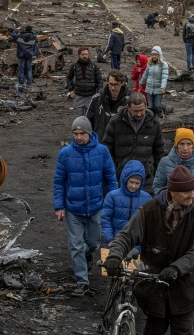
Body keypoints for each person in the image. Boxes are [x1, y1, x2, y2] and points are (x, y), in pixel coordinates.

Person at [105, 164, 194, 335]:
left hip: (183, 285)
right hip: (153, 283)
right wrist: (113, 256)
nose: (192, 195)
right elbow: (125, 236)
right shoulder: (149, 211)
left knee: (183, 334)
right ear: (172, 192)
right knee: (154, 326)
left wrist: (176, 269)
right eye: (187, 192)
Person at [53, 116, 118, 297]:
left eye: (82, 133)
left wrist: (113, 202)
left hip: (96, 206)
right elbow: (59, 181)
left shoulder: (102, 152)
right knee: (75, 245)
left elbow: (111, 179)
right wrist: (59, 206)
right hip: (73, 207)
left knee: (93, 243)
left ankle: (87, 255)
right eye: (76, 133)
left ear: (90, 133)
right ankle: (82, 282)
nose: (79, 137)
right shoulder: (65, 154)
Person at [102, 93, 165, 185]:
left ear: (146, 106)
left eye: (141, 110)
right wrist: (114, 171)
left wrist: (155, 175)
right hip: (121, 178)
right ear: (128, 107)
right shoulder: (115, 122)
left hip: (146, 179)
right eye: (135, 111)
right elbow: (107, 149)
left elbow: (159, 152)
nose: (139, 114)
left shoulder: (154, 124)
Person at [153, 128, 194, 212]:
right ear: (176, 145)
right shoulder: (165, 162)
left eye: (188, 144)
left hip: (193, 212)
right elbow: (157, 187)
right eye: (182, 144)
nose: (185, 148)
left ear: (193, 145)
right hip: (170, 211)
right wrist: (165, 205)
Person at [101, 160, 152, 247]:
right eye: (131, 182)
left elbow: (150, 222)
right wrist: (109, 240)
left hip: (137, 245)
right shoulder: (112, 196)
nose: (134, 186)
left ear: (142, 183)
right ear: (125, 180)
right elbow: (105, 219)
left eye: (137, 183)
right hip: (115, 243)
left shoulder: (147, 198)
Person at [87, 70, 130, 139]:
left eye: (116, 84)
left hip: (119, 143)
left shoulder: (129, 101)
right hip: (100, 141)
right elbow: (88, 121)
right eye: (111, 84)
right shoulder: (97, 99)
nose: (113, 88)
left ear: (122, 83)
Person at [66, 47, 103, 117]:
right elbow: (68, 78)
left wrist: (99, 93)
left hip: (91, 97)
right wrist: (71, 90)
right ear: (79, 55)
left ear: (89, 54)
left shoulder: (94, 67)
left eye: (86, 54)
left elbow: (100, 81)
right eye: (83, 54)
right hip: (78, 96)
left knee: (89, 119)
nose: (85, 56)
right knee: (79, 118)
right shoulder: (74, 67)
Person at [139, 46, 170, 118]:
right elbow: (145, 74)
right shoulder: (149, 64)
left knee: (157, 105)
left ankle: (161, 114)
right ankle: (152, 119)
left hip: (158, 89)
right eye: (152, 55)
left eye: (155, 55)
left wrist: (163, 87)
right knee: (150, 106)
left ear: (159, 55)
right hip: (149, 88)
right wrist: (141, 83)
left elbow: (164, 77)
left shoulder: (163, 65)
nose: (154, 56)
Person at [11, 25, 39, 92]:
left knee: (21, 69)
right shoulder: (33, 37)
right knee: (29, 69)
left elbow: (13, 35)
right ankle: (29, 84)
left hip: (21, 55)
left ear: (25, 30)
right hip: (29, 55)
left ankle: (21, 83)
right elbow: (36, 39)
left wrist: (17, 30)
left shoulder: (20, 37)